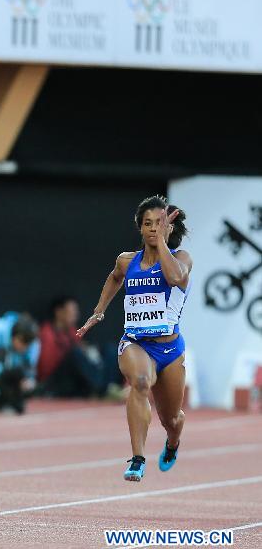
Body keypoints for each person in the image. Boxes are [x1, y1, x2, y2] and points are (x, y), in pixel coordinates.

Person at [77, 195, 191, 482]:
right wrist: (99, 311)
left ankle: (172, 443)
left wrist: (163, 242)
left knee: (172, 419)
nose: (153, 228)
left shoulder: (181, 259)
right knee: (140, 383)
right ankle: (138, 458)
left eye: (160, 223)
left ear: (169, 228)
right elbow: (115, 277)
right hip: (136, 344)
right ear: (139, 228)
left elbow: (176, 278)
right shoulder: (127, 261)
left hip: (170, 350)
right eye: (148, 223)